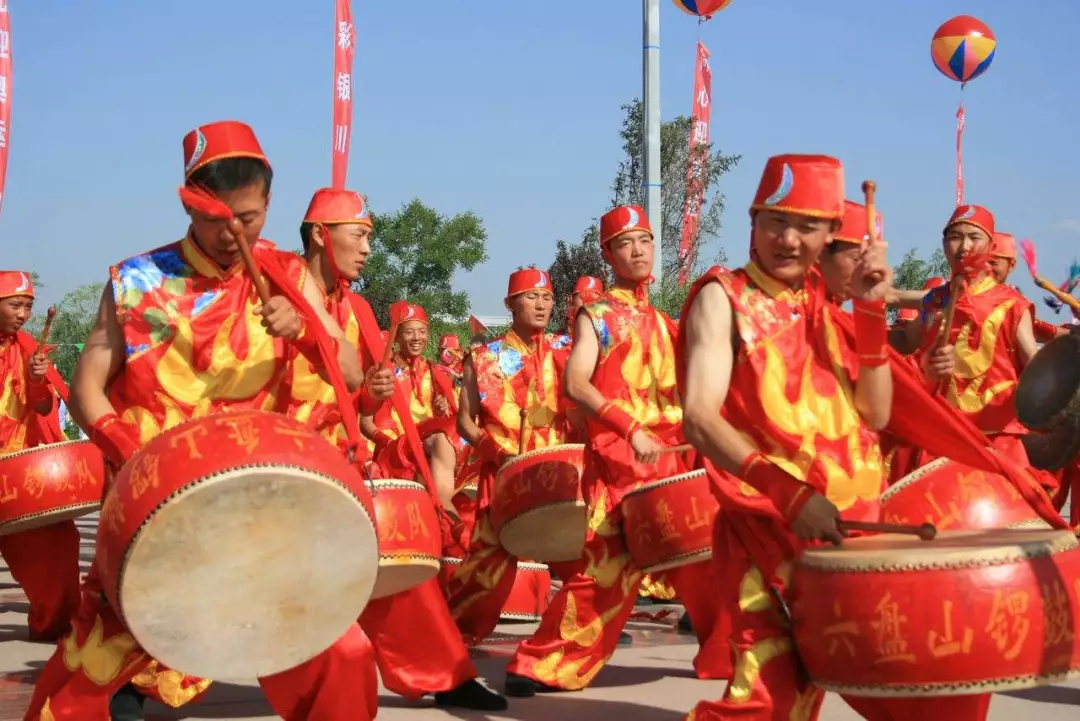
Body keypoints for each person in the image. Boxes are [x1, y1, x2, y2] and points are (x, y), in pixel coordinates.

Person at [24, 121, 378, 721]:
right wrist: (133, 452)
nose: (233, 232)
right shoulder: (139, 282)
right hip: (161, 511)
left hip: (261, 509)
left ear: (267, 204)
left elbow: (348, 372)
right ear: (189, 203)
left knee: (340, 655)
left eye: (249, 217)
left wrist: (307, 329)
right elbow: (87, 390)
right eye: (218, 218)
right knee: (88, 673)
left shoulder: (289, 277)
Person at [678, 153, 991, 721]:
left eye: (808, 226)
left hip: (846, 533)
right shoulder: (722, 298)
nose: (789, 239)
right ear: (753, 219)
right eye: (776, 220)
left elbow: (874, 412)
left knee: (930, 683)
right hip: (765, 528)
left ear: (828, 234)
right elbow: (699, 415)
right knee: (769, 700)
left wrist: (871, 310)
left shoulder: (825, 314)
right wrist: (790, 495)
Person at [284, 186, 506, 712]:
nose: (366, 249)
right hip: (279, 459)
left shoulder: (358, 309)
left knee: (394, 563)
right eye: (357, 235)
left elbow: (358, 406)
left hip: (339, 461)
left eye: (369, 238)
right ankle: (130, 677)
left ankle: (445, 670)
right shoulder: (274, 286)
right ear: (320, 234)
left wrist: (372, 395)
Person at [504, 206, 729, 698]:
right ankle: (541, 662)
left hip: (670, 461)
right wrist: (630, 430)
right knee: (605, 565)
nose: (639, 250)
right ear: (608, 254)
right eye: (626, 243)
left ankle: (726, 653)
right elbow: (575, 382)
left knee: (702, 558)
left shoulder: (666, 323)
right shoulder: (597, 316)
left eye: (645, 240)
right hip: (620, 460)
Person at [444, 267, 574, 642]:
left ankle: (574, 630)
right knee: (486, 570)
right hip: (504, 472)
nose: (541, 305)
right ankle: (452, 636)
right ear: (510, 304)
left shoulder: (565, 352)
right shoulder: (484, 357)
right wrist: (493, 452)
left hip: (556, 471)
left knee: (582, 560)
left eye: (547, 297)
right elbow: (465, 420)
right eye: (531, 297)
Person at [910, 205, 1038, 466]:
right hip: (941, 432)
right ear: (944, 245)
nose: (964, 246)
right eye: (955, 237)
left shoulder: (1011, 303)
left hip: (995, 436)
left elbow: (1033, 362)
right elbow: (907, 341)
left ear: (990, 246)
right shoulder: (935, 300)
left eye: (973, 237)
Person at [0, 271, 81, 643]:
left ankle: (53, 624)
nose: (23, 314)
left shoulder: (28, 348)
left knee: (57, 545)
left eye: (28, 307)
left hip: (18, 475)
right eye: (15, 305)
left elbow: (45, 407)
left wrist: (36, 380)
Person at [365, 301, 459, 511]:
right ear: (396, 337)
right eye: (409, 332)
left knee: (455, 426)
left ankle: (443, 505)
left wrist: (441, 411)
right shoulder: (382, 370)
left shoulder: (434, 372)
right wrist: (385, 442)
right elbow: (364, 420)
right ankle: (443, 508)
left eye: (422, 332)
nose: (417, 338)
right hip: (392, 446)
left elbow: (445, 419)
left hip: (426, 444)